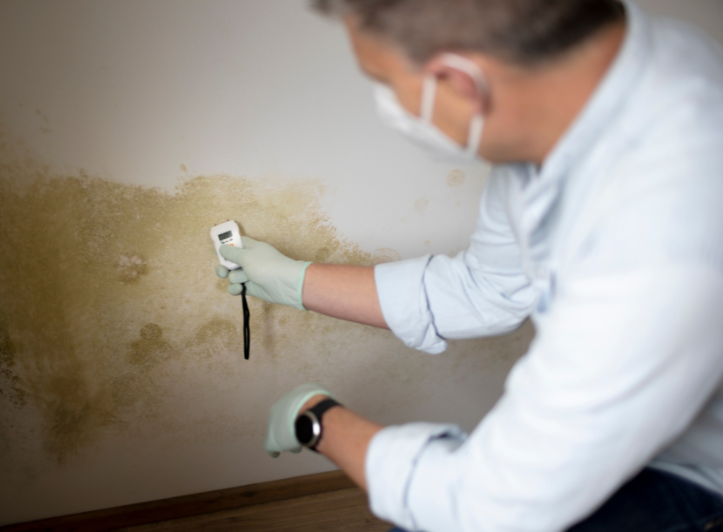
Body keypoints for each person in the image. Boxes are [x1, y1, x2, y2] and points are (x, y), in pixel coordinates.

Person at [215, 0, 723, 530]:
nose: (387, 103)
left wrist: (316, 420)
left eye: (383, 79)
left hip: (696, 472)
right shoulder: (586, 94)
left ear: (459, 82)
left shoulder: (662, 239)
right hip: (644, 429)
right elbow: (487, 286)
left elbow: (485, 509)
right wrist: (294, 281)